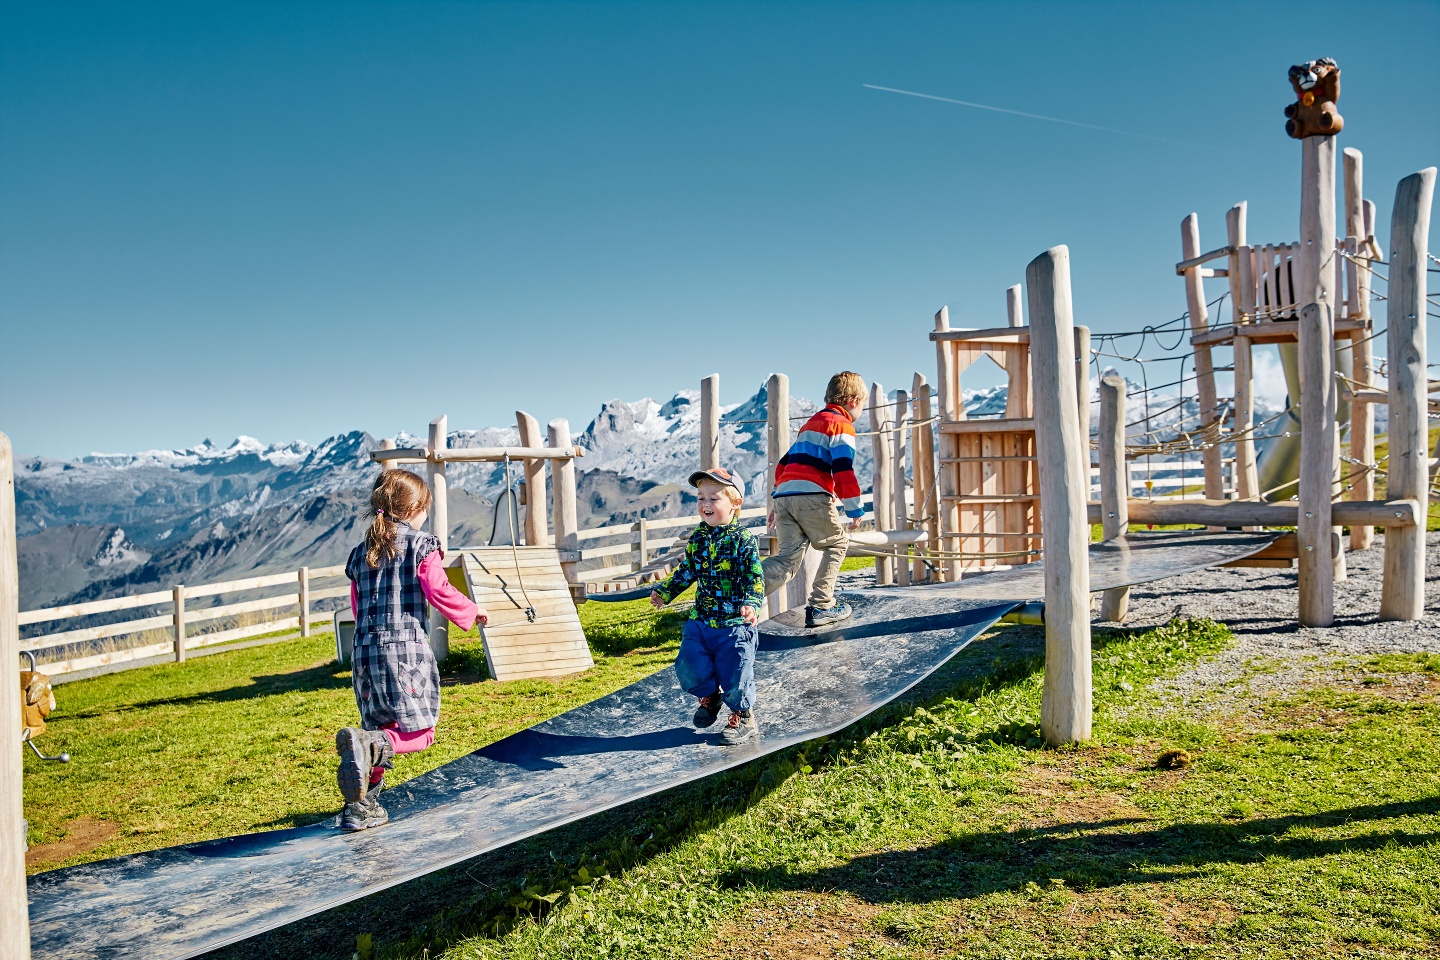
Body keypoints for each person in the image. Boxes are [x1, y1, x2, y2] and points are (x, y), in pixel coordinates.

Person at [337, 468, 488, 831]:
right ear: (414, 508)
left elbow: (358, 608)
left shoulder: (360, 554)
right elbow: (437, 589)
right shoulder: (422, 545)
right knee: (419, 732)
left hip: (364, 653)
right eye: (425, 509)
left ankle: (360, 806)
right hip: (404, 651)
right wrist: (472, 610)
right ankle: (372, 745)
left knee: (377, 724)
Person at [650, 467, 765, 745]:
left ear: (735, 504)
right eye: (701, 498)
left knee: (737, 671)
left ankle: (743, 716)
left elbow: (755, 578)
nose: (705, 504)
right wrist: (666, 592)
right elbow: (686, 571)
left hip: (734, 625)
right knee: (690, 664)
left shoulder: (744, 541)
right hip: (701, 620)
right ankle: (710, 697)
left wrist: (751, 604)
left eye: (714, 498)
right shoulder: (698, 538)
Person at [763, 371, 866, 628]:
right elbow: (843, 468)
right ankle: (821, 605)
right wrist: (854, 509)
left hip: (785, 495)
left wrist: (778, 497)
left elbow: (784, 463)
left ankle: (739, 593)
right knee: (836, 544)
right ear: (853, 400)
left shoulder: (811, 424)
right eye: (863, 405)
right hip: (811, 494)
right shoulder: (841, 425)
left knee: (787, 559)